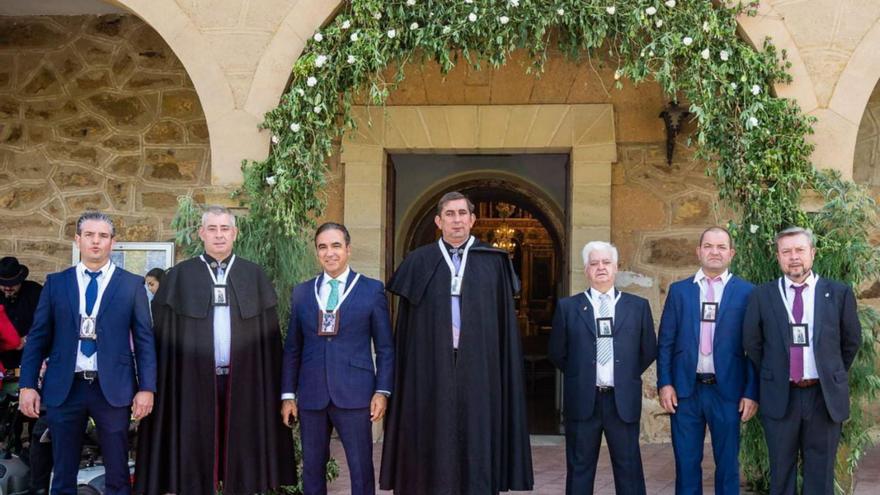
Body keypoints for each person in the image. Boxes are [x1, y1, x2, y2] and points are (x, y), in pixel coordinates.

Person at [379, 191, 533, 494]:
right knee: (431, 431)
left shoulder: (494, 262)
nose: (457, 220)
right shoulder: (419, 261)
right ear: (438, 221)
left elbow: (503, 326)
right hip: (430, 367)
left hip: (480, 367)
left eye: (462, 213)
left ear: (473, 220)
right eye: (450, 214)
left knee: (477, 432)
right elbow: (406, 330)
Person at [134, 205, 295, 495]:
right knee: (195, 458)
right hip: (191, 384)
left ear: (235, 233)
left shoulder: (253, 275)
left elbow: (271, 343)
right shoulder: (180, 276)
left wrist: (281, 392)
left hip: (244, 383)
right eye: (212, 229)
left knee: (242, 459)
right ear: (201, 233)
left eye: (225, 229)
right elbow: (161, 341)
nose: (219, 235)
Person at [18, 211, 157, 495]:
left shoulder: (132, 285)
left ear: (113, 242)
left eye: (103, 236)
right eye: (90, 235)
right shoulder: (57, 283)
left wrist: (147, 388)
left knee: (118, 471)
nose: (96, 242)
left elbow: (144, 341)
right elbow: (37, 339)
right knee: (63, 470)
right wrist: (27, 385)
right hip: (65, 386)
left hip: (113, 388)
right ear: (78, 240)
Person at [743, 227, 861, 495]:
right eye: (786, 251)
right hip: (781, 396)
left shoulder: (838, 293)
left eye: (799, 250)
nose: (793, 257)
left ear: (813, 253)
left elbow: (850, 341)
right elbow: (753, 342)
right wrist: (776, 370)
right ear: (778, 257)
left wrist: (831, 373)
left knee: (820, 475)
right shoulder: (762, 295)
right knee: (781, 473)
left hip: (824, 398)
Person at [281, 222, 394, 495]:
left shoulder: (371, 289)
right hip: (312, 395)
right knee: (312, 469)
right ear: (317, 252)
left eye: (336, 246)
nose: (329, 253)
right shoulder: (302, 293)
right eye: (323, 247)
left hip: (355, 394)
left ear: (348, 249)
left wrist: (382, 391)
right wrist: (287, 395)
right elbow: (293, 347)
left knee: (360, 469)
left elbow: (386, 347)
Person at [548, 241, 657, 495]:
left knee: (629, 469)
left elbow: (648, 350)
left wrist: (624, 374)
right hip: (584, 401)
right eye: (594, 263)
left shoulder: (637, 307)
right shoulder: (568, 308)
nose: (600, 268)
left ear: (616, 267)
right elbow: (557, 353)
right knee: (579, 469)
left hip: (622, 401)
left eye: (606, 263)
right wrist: (582, 375)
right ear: (586, 270)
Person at [656, 227, 758, 494]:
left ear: (731, 254)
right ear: (698, 251)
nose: (715, 251)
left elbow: (754, 348)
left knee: (727, 465)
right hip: (685, 392)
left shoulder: (747, 293)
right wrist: (665, 383)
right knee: (687, 463)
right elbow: (666, 342)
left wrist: (751, 392)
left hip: (728, 393)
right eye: (709, 246)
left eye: (721, 247)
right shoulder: (679, 291)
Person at [0, 256, 43, 371]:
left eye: (12, 284)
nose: (8, 287)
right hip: (3, 361)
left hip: (31, 357)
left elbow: (48, 322)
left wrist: (26, 339)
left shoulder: (35, 292)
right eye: (4, 284)